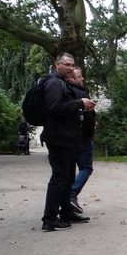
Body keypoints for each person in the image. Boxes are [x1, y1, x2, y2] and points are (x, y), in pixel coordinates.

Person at [39, 52, 95, 231]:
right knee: (60, 177)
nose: (71, 68)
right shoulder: (54, 83)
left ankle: (66, 212)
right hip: (59, 138)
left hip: (68, 138)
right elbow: (54, 108)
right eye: (67, 65)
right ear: (58, 65)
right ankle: (49, 218)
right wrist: (80, 103)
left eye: (72, 65)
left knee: (68, 176)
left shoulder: (61, 82)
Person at [64, 63, 97, 217]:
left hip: (70, 137)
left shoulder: (66, 93)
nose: (82, 78)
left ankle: (67, 207)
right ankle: (72, 193)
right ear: (71, 78)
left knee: (69, 171)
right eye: (79, 76)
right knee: (86, 167)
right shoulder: (79, 95)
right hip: (82, 137)